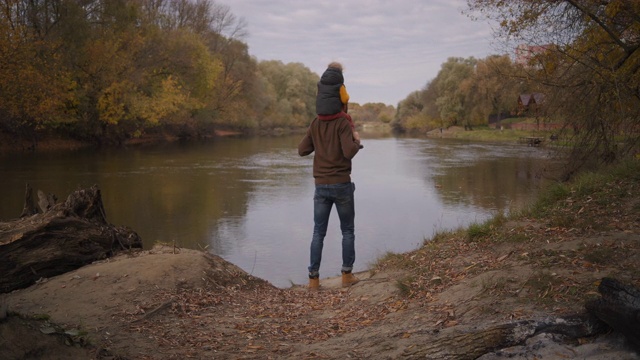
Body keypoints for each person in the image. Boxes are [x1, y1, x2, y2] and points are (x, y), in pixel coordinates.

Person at [298, 62, 362, 290]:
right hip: (342, 186)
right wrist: (357, 141)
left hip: (321, 187)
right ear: (340, 95)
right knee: (347, 231)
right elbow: (349, 152)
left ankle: (313, 280)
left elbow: (302, 150)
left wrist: (317, 140)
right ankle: (346, 275)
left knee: (318, 232)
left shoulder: (315, 123)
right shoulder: (343, 123)